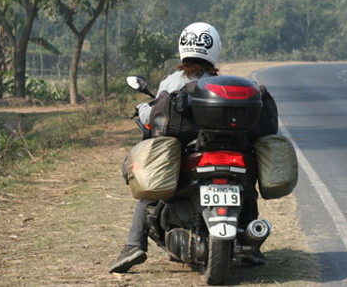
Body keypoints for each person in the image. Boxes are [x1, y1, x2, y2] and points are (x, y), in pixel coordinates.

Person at [109, 22, 268, 273]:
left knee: (150, 192)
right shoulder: (220, 86)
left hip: (186, 156)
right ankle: (253, 249)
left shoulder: (171, 82)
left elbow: (155, 115)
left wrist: (142, 109)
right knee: (248, 190)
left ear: (183, 47)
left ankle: (134, 246)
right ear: (214, 48)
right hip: (226, 156)